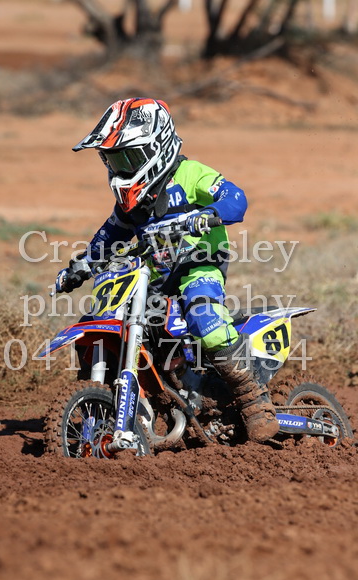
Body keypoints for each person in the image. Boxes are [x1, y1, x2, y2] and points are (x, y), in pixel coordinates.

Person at [56, 97, 279, 443]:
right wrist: (82, 266)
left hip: (198, 265)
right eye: (113, 160)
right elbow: (110, 234)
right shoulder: (133, 203)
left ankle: (254, 401)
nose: (120, 168)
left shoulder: (191, 175)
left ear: (155, 147)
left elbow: (236, 199)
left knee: (205, 319)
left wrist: (206, 214)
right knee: (104, 319)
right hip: (153, 276)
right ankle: (112, 406)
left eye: (128, 158)